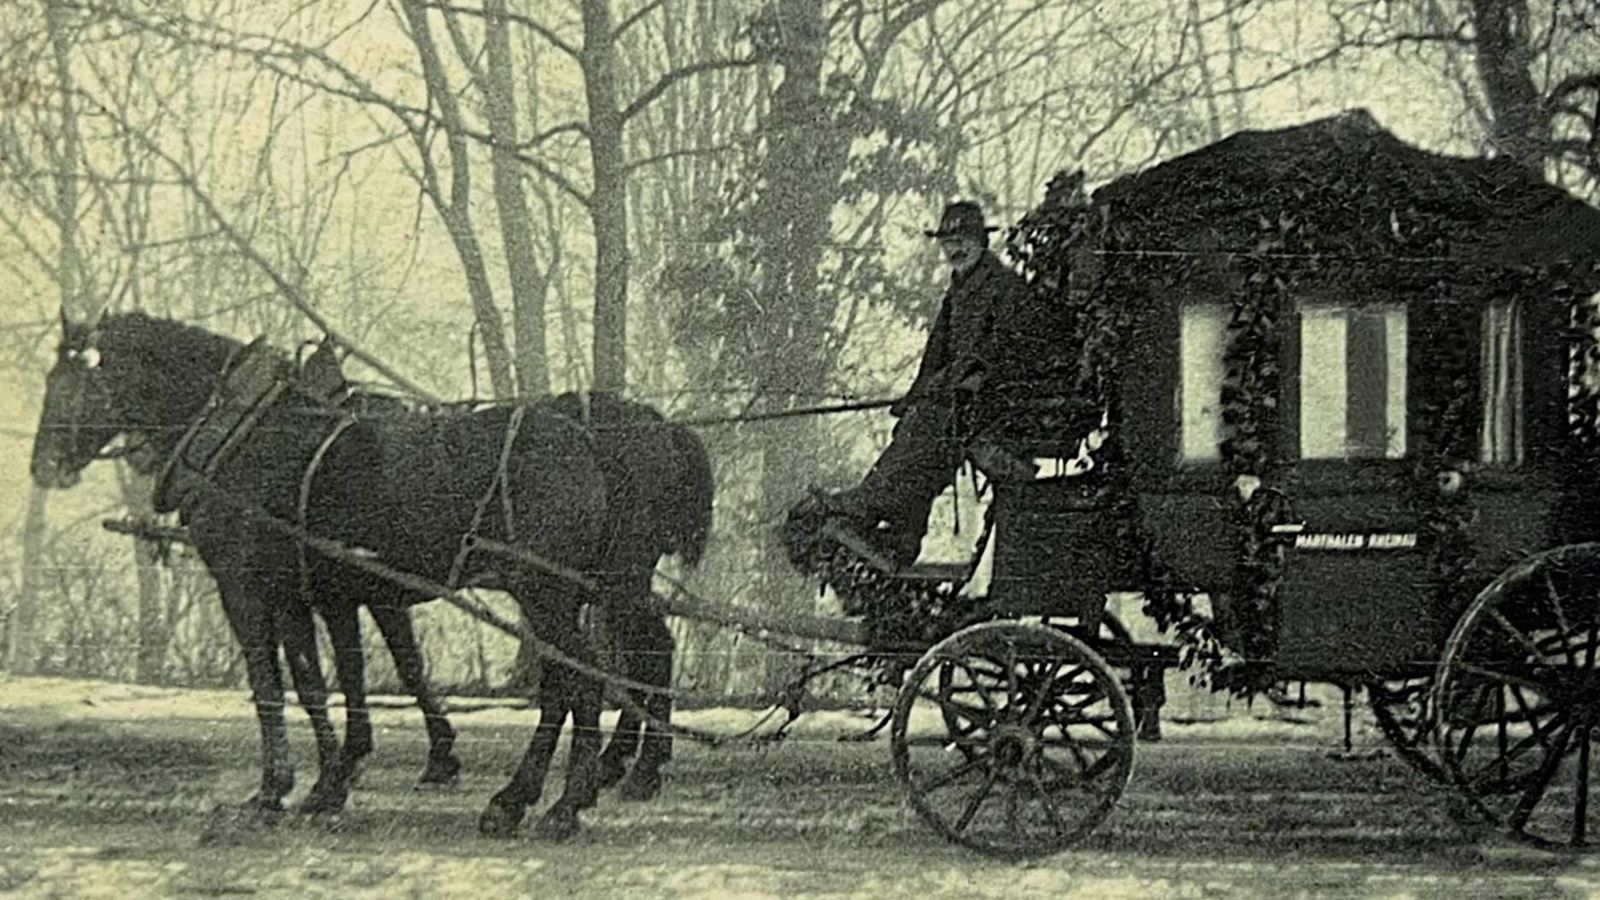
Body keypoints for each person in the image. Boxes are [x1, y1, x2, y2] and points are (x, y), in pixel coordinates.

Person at [825, 200, 1036, 568]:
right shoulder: (959, 290)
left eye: (963, 240)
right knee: (916, 425)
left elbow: (1001, 352)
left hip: (992, 404)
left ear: (980, 241)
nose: (954, 249)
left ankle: (868, 502)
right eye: (947, 242)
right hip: (959, 400)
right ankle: (901, 538)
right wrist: (915, 396)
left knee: (930, 429)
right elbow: (935, 355)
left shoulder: (1003, 288)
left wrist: (957, 386)